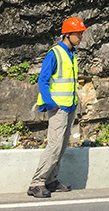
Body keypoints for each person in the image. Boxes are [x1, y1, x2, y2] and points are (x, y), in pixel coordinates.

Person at [27, 17, 87, 199]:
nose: (81, 36)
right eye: (78, 33)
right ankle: (37, 183)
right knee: (54, 146)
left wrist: (74, 102)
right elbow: (43, 81)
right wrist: (52, 103)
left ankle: (51, 180)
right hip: (58, 107)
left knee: (61, 147)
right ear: (67, 34)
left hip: (69, 106)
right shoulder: (55, 54)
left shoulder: (72, 53)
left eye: (81, 33)